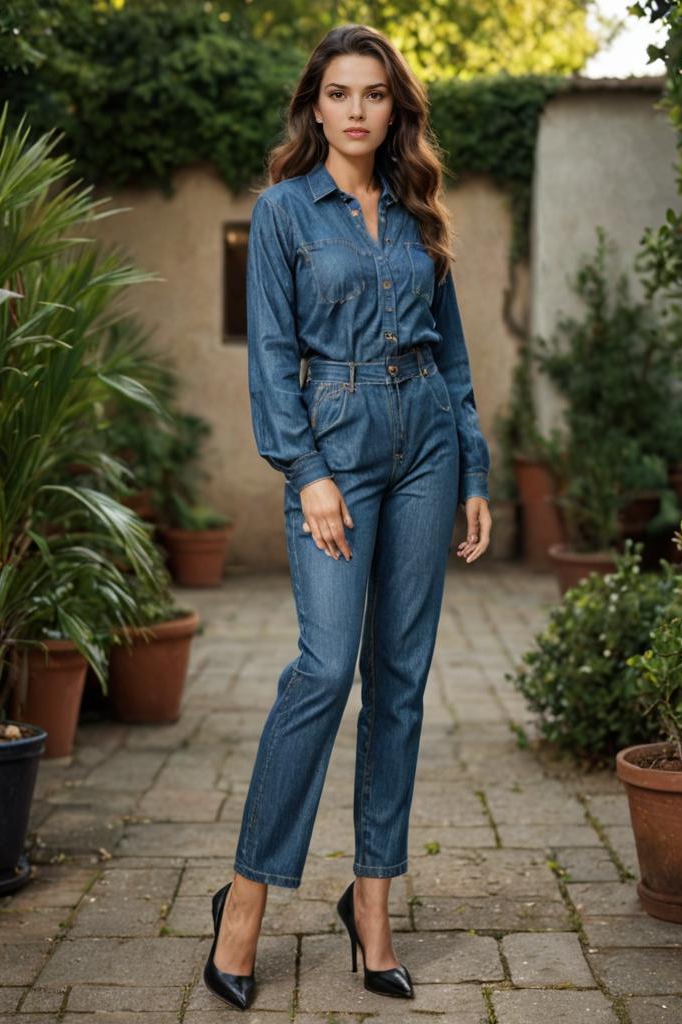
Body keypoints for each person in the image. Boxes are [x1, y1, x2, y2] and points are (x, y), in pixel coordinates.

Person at [204, 22, 492, 1012]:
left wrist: (474, 469)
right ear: (314, 105)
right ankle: (244, 899)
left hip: (426, 444)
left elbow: (451, 353)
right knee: (326, 665)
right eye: (340, 94)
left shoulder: (417, 213)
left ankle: (372, 911)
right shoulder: (284, 210)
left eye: (375, 94)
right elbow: (272, 352)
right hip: (335, 440)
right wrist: (306, 469)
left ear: (394, 107)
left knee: (400, 680)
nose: (358, 110)